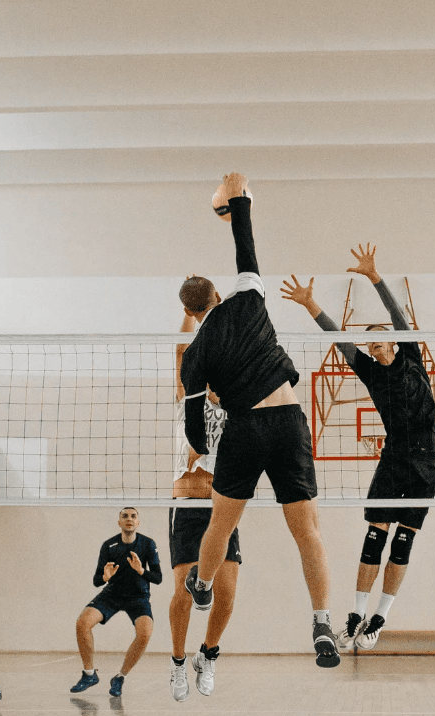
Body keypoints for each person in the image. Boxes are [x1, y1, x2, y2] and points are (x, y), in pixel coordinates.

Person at [179, 172, 338, 668]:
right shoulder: (248, 300)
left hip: (244, 431)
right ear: (218, 297)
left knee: (220, 528)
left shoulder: (194, 355)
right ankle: (322, 624)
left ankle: (202, 585)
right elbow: (244, 243)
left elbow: (191, 426)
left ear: (190, 311)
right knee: (306, 531)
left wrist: (207, 444)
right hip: (288, 420)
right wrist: (237, 196)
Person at [282, 243, 435, 650]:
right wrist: (311, 305)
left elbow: (397, 316)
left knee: (402, 541)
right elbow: (338, 338)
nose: (377, 346)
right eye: (371, 345)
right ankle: (355, 614)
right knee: (375, 537)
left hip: (426, 461)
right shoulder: (370, 372)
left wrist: (374, 277)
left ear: (394, 343)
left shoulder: (413, 357)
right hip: (393, 459)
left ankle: (379, 620)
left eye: (382, 341)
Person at [169, 304, 241, 700]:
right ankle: (178, 663)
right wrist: (193, 311)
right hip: (188, 503)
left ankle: (207, 655)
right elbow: (181, 351)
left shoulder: (235, 406)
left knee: (226, 593)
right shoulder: (186, 400)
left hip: (222, 505)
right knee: (183, 591)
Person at [71, 507, 163, 697]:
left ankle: (120, 677)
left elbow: (158, 577)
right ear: (119, 522)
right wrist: (105, 577)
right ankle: (89, 674)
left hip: (138, 597)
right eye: (125, 516)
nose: (129, 519)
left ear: (138, 523)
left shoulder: (147, 544)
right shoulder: (108, 545)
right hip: (112, 595)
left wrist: (141, 571)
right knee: (82, 623)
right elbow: (97, 580)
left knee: (145, 634)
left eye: (133, 516)